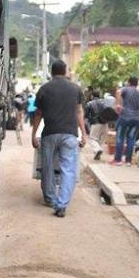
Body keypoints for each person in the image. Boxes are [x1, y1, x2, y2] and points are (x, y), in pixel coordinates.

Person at [31, 59, 87, 217]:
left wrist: (33, 134)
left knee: (47, 166)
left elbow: (38, 113)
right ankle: (62, 204)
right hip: (70, 134)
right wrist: (84, 133)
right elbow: (79, 112)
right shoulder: (76, 89)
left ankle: (50, 199)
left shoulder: (44, 88)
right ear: (66, 71)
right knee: (68, 169)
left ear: (51, 72)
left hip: (49, 133)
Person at [114, 76, 139, 165]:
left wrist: (118, 105)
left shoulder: (127, 89)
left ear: (129, 82)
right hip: (137, 119)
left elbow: (118, 91)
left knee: (120, 137)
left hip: (125, 117)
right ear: (137, 84)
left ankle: (118, 160)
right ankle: (128, 161)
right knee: (131, 139)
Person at [84, 91, 115, 160]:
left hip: (95, 123)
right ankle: (97, 153)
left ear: (92, 96)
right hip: (105, 123)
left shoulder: (89, 103)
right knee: (100, 139)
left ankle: (98, 150)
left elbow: (86, 116)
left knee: (92, 139)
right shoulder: (104, 103)